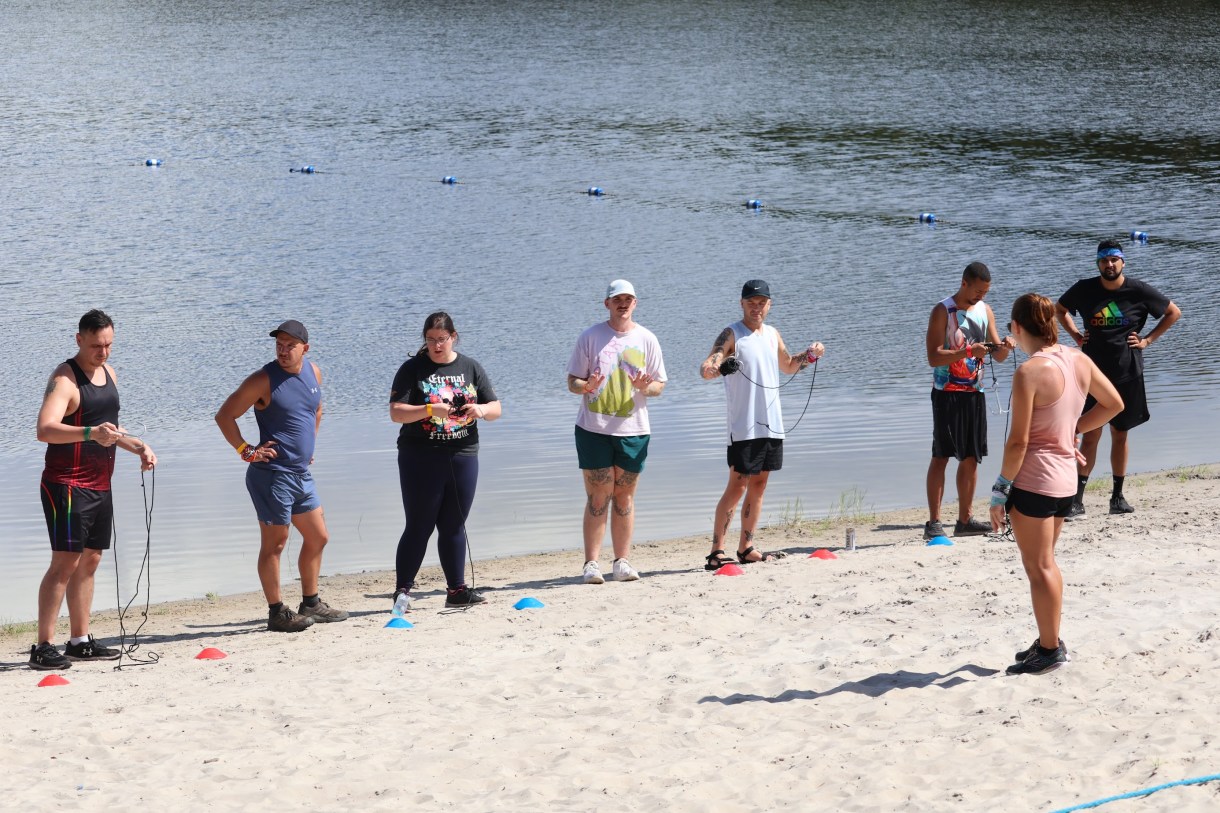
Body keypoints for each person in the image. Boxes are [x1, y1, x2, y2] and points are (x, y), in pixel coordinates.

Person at [989, 293, 1122, 675]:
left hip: (1034, 481)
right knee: (1046, 562)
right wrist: (1073, 431)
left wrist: (1000, 490)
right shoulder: (1078, 358)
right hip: (1066, 481)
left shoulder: (1030, 371)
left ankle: (1049, 650)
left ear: (1016, 328)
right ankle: (1050, 638)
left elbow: (1018, 442)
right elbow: (1113, 404)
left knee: (1040, 566)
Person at [31, 309, 157, 670]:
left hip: (100, 484)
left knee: (91, 560)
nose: (103, 352)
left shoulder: (110, 374)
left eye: (109, 345)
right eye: (97, 345)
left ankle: (79, 641)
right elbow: (45, 429)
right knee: (64, 563)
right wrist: (88, 433)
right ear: (79, 340)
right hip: (65, 485)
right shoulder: (65, 380)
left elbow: (109, 432)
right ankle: (42, 645)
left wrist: (139, 446)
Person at [215, 320, 348, 632]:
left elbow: (316, 409)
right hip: (271, 475)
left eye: (291, 345)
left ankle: (311, 603)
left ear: (305, 348)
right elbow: (224, 416)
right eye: (279, 345)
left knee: (318, 537)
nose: (284, 350)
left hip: (300, 474)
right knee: (275, 544)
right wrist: (245, 450)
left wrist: (309, 444)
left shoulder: (313, 373)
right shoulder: (263, 380)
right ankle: (276, 612)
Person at [699, 279, 824, 570]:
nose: (756, 308)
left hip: (772, 424)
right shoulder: (733, 333)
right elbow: (707, 367)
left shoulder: (772, 334)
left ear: (769, 305)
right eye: (751, 303)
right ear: (742, 304)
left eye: (762, 303)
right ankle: (717, 552)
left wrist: (810, 355)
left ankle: (746, 547)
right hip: (743, 426)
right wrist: (717, 368)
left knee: (760, 484)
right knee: (737, 485)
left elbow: (789, 365)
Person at [1056, 239, 1181, 518]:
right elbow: (1059, 310)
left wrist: (1148, 340)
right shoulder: (1084, 288)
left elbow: (1173, 312)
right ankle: (1077, 500)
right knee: (1090, 435)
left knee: (1120, 435)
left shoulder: (1138, 290)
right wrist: (1076, 335)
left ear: (1123, 261)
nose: (1109, 265)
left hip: (1127, 373)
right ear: (1098, 263)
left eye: (1114, 259)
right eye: (1104, 260)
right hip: (1092, 374)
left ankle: (1117, 497)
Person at [389, 312, 502, 610]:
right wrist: (428, 410)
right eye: (431, 340)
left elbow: (496, 408)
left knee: (454, 525)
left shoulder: (470, 366)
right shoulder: (412, 369)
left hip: (463, 453)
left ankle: (456, 590)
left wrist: (480, 410)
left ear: (454, 337)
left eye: (442, 339)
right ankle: (402, 591)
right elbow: (396, 412)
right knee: (419, 525)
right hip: (420, 456)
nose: (437, 345)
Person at [566, 280, 668, 584]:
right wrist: (586, 386)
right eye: (617, 299)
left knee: (624, 497)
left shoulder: (647, 339)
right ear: (607, 304)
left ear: (635, 303)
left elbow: (659, 385)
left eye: (628, 299)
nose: (623, 304)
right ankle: (591, 564)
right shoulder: (590, 337)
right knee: (599, 495)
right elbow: (572, 381)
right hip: (593, 429)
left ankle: (622, 562)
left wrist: (644, 387)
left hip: (633, 430)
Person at [924, 261, 1013, 540]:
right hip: (946, 393)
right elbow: (933, 357)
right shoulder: (943, 311)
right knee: (941, 456)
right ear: (964, 284)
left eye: (985, 292)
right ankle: (934, 522)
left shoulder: (985, 311)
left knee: (972, 457)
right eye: (978, 291)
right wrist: (965, 353)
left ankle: (965, 520)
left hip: (975, 393)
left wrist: (1007, 347)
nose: (981, 297)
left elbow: (997, 355)